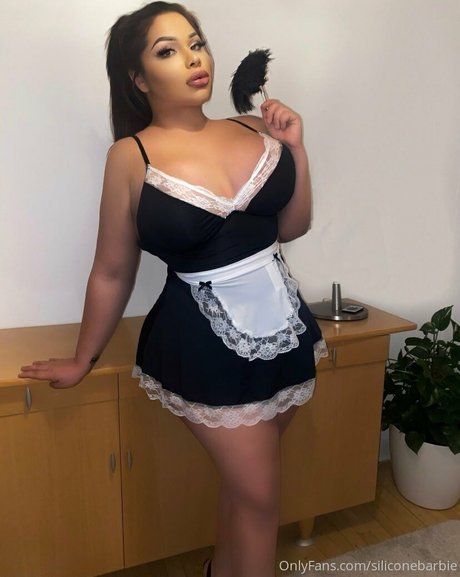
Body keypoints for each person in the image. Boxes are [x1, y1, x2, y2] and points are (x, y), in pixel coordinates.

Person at [18, 2, 328, 576]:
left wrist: (297, 148)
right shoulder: (130, 157)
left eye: (196, 43)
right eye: (168, 51)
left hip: (285, 330)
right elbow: (112, 271)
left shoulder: (256, 129)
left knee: (246, 491)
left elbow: (291, 227)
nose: (192, 59)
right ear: (138, 79)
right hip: (201, 346)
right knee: (261, 497)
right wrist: (83, 358)